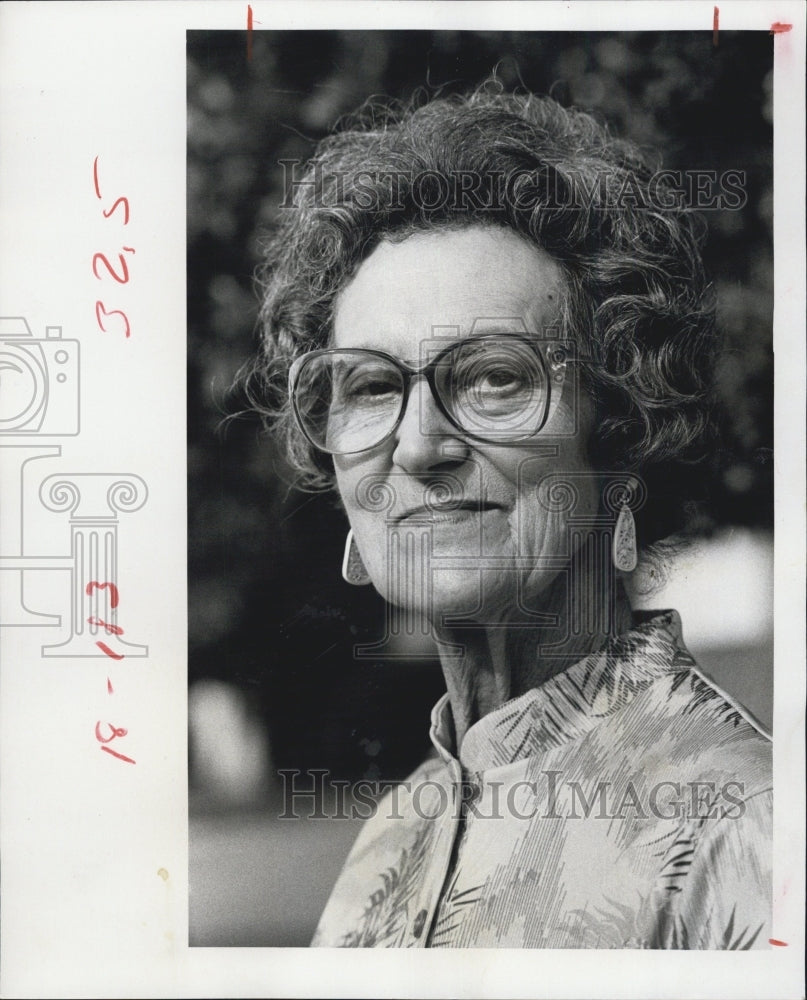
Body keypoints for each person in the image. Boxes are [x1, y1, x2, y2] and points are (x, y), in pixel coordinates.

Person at [250, 89, 772, 949]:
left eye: (493, 378)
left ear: (616, 433)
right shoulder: (387, 842)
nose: (419, 448)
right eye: (372, 387)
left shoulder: (745, 829)